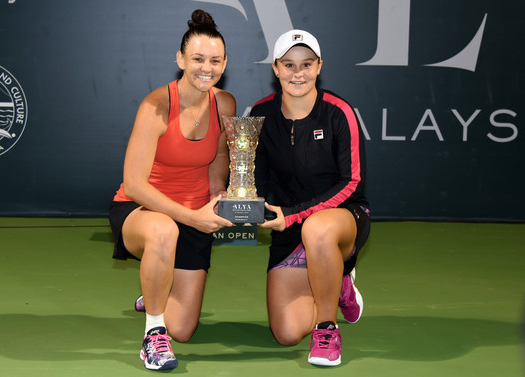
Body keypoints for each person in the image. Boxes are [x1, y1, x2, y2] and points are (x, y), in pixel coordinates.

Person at [108, 9, 235, 371]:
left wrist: (217, 197)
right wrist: (191, 217)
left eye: (214, 60)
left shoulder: (224, 104)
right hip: (142, 211)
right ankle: (152, 336)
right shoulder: (156, 106)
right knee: (164, 230)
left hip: (195, 214)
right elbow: (134, 183)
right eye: (197, 59)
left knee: (182, 327)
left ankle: (153, 290)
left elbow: (219, 156)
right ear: (180, 59)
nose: (205, 68)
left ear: (224, 63)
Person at [250, 29, 371, 367]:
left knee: (317, 230)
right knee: (286, 333)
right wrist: (246, 204)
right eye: (288, 65)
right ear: (275, 68)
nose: (297, 73)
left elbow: (352, 182)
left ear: (319, 66)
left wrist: (294, 213)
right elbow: (255, 179)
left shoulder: (338, 112)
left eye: (306, 64)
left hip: (341, 218)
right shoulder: (260, 113)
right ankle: (338, 282)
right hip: (288, 225)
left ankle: (327, 326)